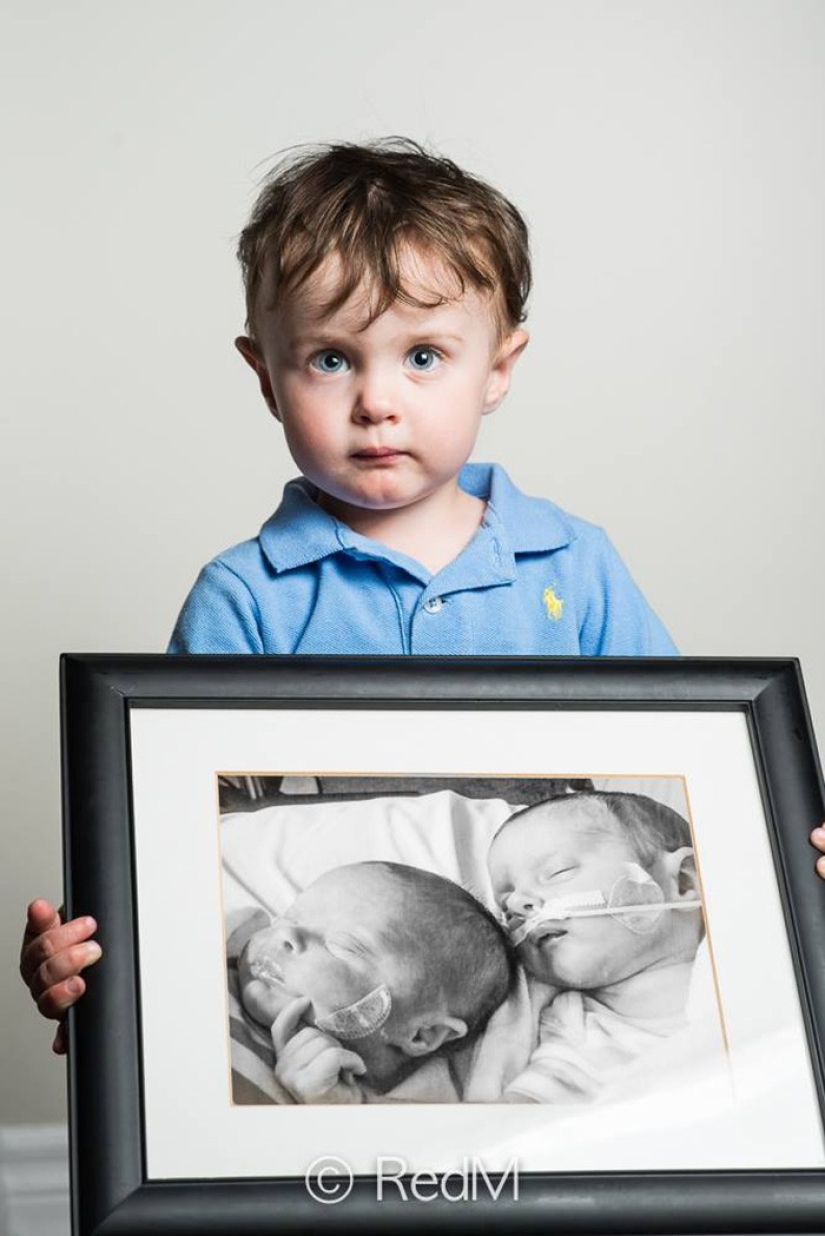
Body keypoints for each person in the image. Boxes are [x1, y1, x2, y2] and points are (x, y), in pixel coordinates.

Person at [19, 138, 825, 1050]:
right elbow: (171, 840)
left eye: (425, 357)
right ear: (263, 376)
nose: (375, 400)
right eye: (329, 360)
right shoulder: (246, 597)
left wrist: (787, 859)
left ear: (499, 368)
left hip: (559, 969)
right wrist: (97, 962)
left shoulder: (573, 566)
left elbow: (691, 778)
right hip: (355, 987)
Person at [233, 860, 516, 1103]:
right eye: (290, 916)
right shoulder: (227, 942)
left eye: (344, 946)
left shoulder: (437, 1106)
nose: (285, 935)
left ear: (422, 1033)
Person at [485, 790, 706, 1101]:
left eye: (558, 872)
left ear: (683, 882)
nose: (520, 904)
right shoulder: (574, 1027)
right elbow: (522, 1116)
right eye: (506, 907)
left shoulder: (749, 950)